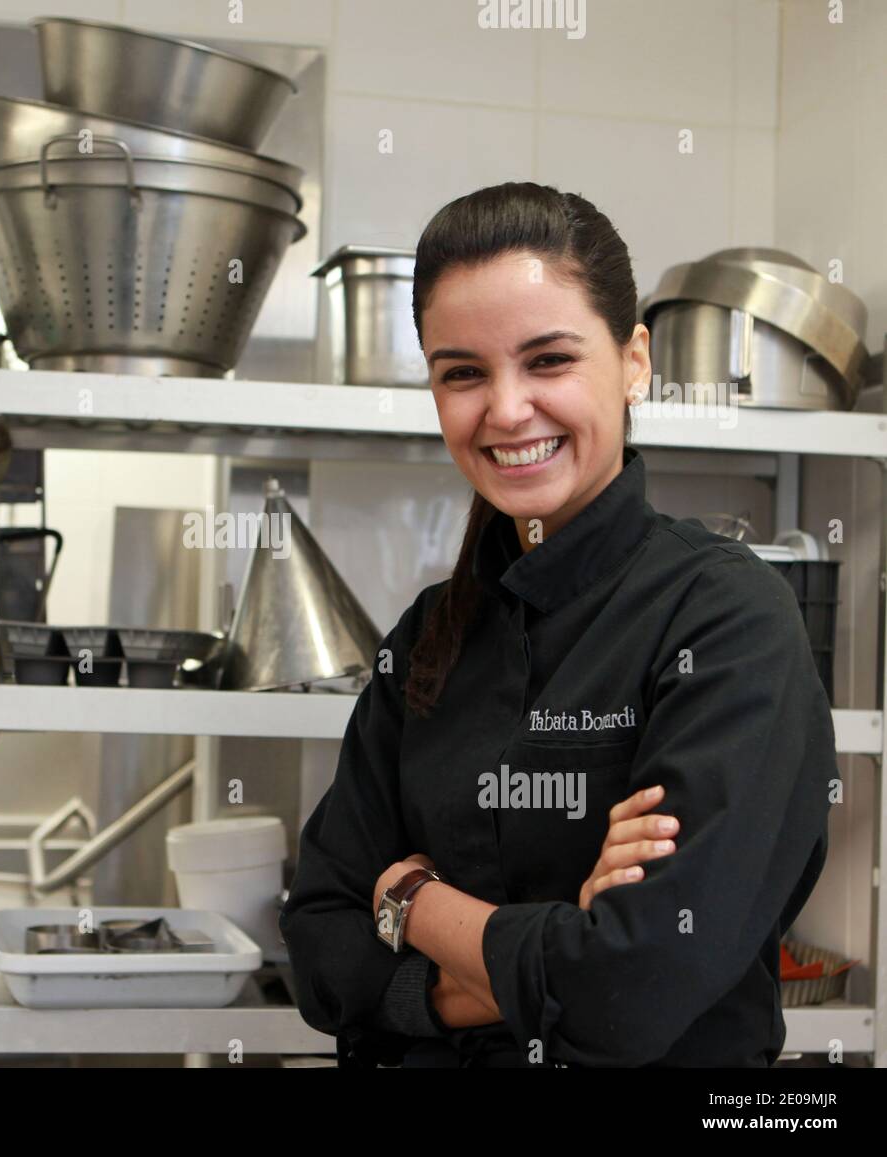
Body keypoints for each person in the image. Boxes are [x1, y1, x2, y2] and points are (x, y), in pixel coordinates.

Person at [279, 182, 835, 1068]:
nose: (504, 410)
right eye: (463, 372)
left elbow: (631, 987)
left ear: (634, 362)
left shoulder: (728, 621)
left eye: (548, 360)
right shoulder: (431, 635)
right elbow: (317, 950)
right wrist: (555, 945)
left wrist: (415, 902)